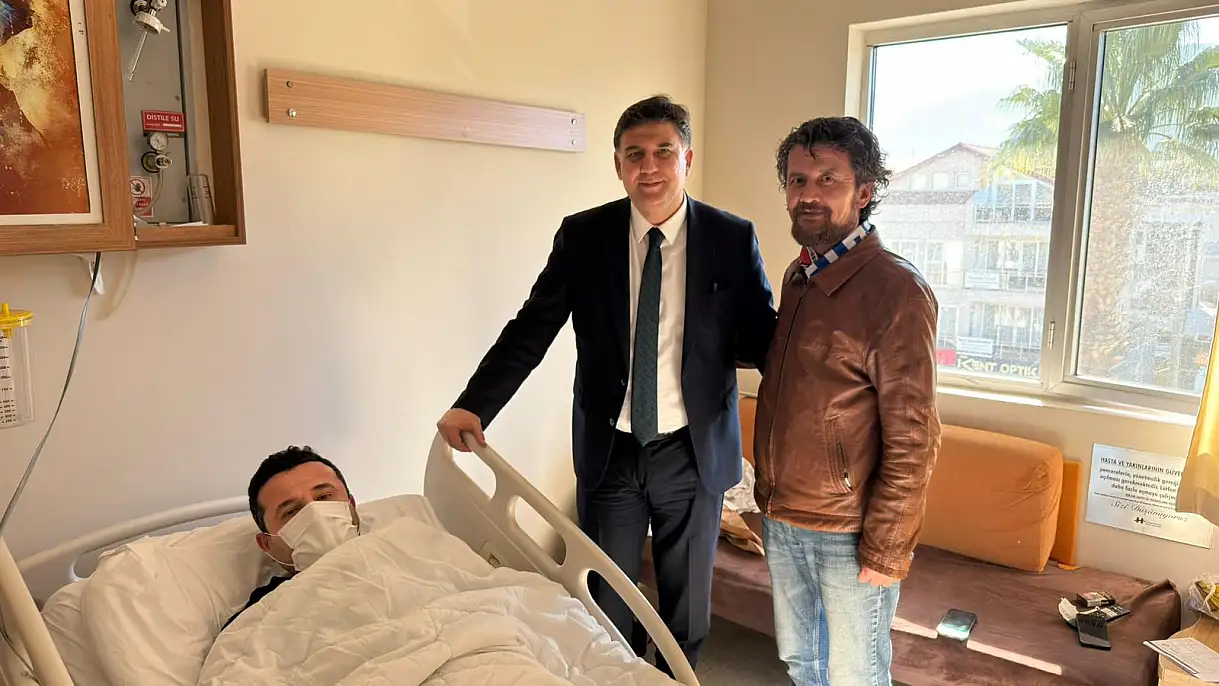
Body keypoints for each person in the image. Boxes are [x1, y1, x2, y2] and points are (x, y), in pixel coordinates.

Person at [436, 95, 777, 674]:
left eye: (664, 151)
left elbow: (764, 341)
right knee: (603, 603)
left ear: (687, 159)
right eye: (635, 154)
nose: (650, 167)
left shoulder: (730, 238)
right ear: (617, 165)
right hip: (611, 451)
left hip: (693, 454)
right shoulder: (584, 237)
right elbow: (531, 329)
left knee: (686, 612)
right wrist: (475, 404)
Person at [753, 117, 942, 686]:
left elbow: (915, 436)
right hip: (782, 516)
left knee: (855, 675)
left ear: (864, 192)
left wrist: (887, 549)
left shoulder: (895, 290)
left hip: (848, 532)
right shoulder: (800, 275)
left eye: (827, 180)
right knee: (802, 663)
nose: (808, 194)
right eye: (797, 180)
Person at [223, 446, 361, 629]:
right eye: (291, 511)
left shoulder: (398, 545)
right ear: (267, 544)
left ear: (352, 505)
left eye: (324, 497)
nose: (316, 515)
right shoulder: (255, 620)